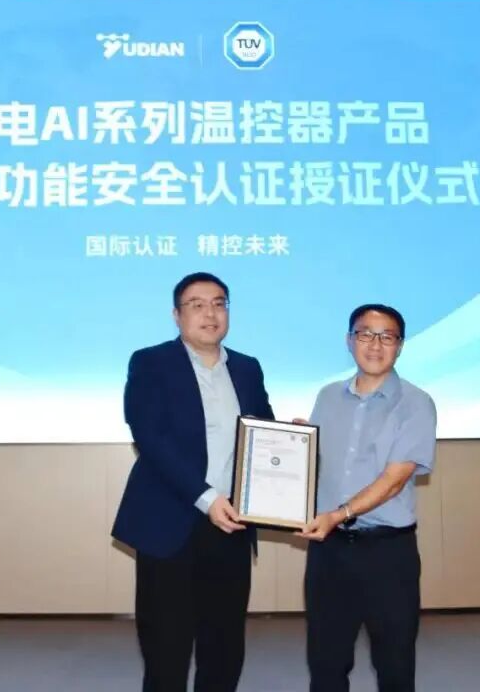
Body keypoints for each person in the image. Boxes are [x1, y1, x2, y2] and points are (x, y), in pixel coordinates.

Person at [112, 272, 275, 692]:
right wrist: (205, 498)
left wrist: (288, 440)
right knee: (166, 649)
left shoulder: (247, 368)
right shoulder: (150, 362)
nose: (210, 313)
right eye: (197, 304)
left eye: (219, 303)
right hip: (170, 525)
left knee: (224, 646)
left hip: (232, 524)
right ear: (176, 315)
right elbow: (150, 436)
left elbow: (262, 434)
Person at [296, 304, 437, 692]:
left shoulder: (416, 403)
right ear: (349, 340)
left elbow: (393, 481)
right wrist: (296, 444)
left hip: (387, 554)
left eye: (386, 336)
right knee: (325, 662)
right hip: (329, 552)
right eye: (365, 334)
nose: (375, 344)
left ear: (400, 345)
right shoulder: (327, 397)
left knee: (394, 664)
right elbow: (318, 463)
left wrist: (338, 513)